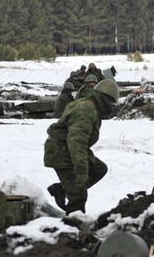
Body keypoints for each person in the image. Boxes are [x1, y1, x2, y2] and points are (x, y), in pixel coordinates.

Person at [44, 79, 120, 214]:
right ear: (106, 100)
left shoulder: (90, 106)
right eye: (112, 104)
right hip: (61, 151)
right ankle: (74, 225)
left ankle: (61, 189)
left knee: (99, 169)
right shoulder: (86, 110)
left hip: (67, 147)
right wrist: (81, 169)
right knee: (78, 195)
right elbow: (76, 141)